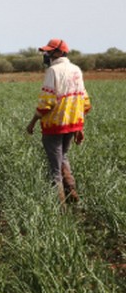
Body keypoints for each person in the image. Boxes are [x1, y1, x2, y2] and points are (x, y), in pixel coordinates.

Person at [26, 38, 91, 204]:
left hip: (54, 124)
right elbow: (84, 100)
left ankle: (59, 206)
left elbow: (46, 102)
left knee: (55, 167)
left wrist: (33, 121)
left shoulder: (53, 71)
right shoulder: (76, 70)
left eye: (49, 52)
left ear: (59, 52)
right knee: (63, 157)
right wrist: (79, 126)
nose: (46, 55)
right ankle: (72, 193)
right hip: (72, 124)